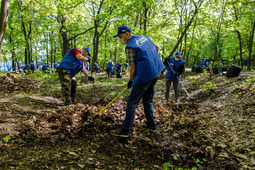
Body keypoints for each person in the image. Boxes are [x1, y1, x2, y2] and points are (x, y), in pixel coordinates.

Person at [110, 25, 165, 138]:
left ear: (127, 33)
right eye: (119, 37)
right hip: (155, 73)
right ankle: (152, 126)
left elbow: (132, 68)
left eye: (121, 36)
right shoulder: (144, 38)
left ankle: (125, 130)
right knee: (147, 101)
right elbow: (157, 48)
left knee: (131, 102)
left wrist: (131, 81)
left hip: (144, 76)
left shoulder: (130, 47)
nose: (120, 38)